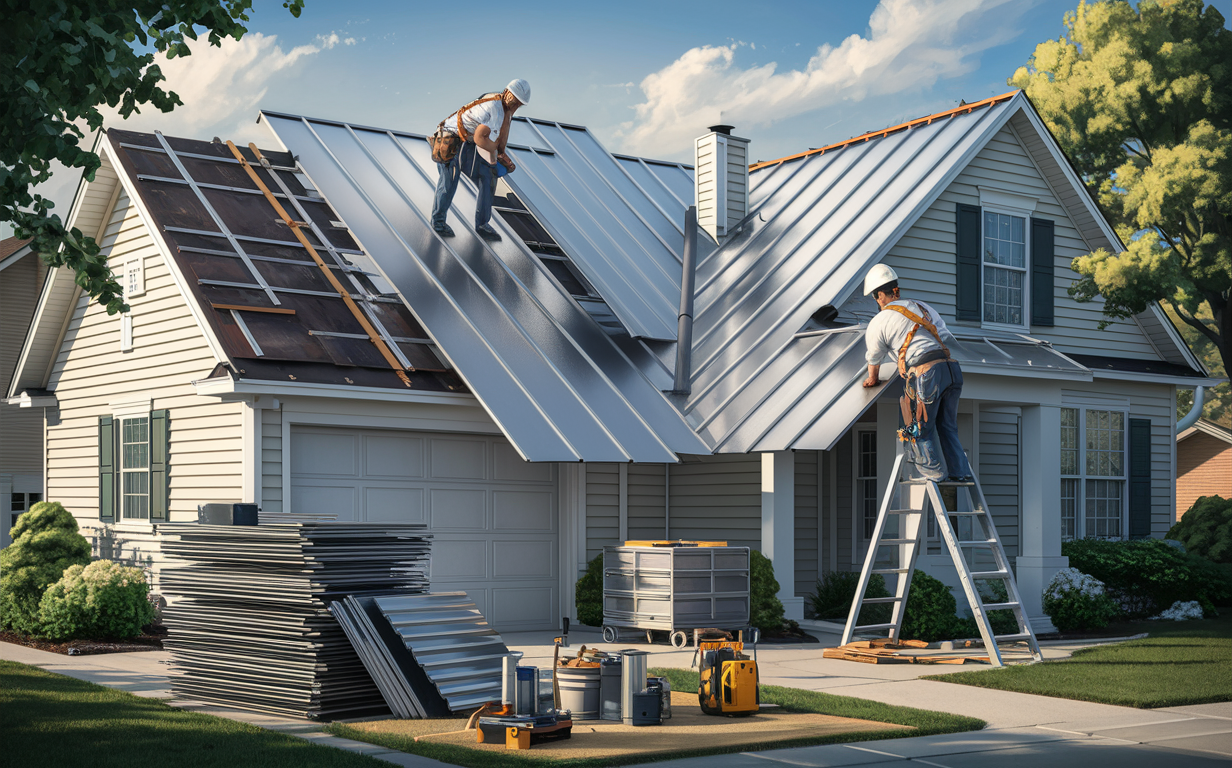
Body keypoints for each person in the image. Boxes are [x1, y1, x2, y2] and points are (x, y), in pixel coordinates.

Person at [860, 264, 974, 482]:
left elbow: (874, 357)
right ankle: (960, 472)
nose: (878, 302)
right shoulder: (921, 307)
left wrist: (872, 379)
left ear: (880, 295)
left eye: (877, 297)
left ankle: (933, 474)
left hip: (926, 373)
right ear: (897, 289)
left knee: (918, 426)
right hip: (951, 370)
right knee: (947, 426)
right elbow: (945, 334)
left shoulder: (880, 321)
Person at [430, 78, 531, 240]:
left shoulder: (504, 111)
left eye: (519, 103)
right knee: (450, 180)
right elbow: (484, 141)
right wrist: (499, 160)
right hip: (450, 139)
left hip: (466, 142)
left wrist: (500, 155)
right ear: (507, 93)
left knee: (488, 177)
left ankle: (482, 224)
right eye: (514, 100)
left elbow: (499, 141)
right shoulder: (495, 107)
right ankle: (438, 222)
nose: (515, 105)